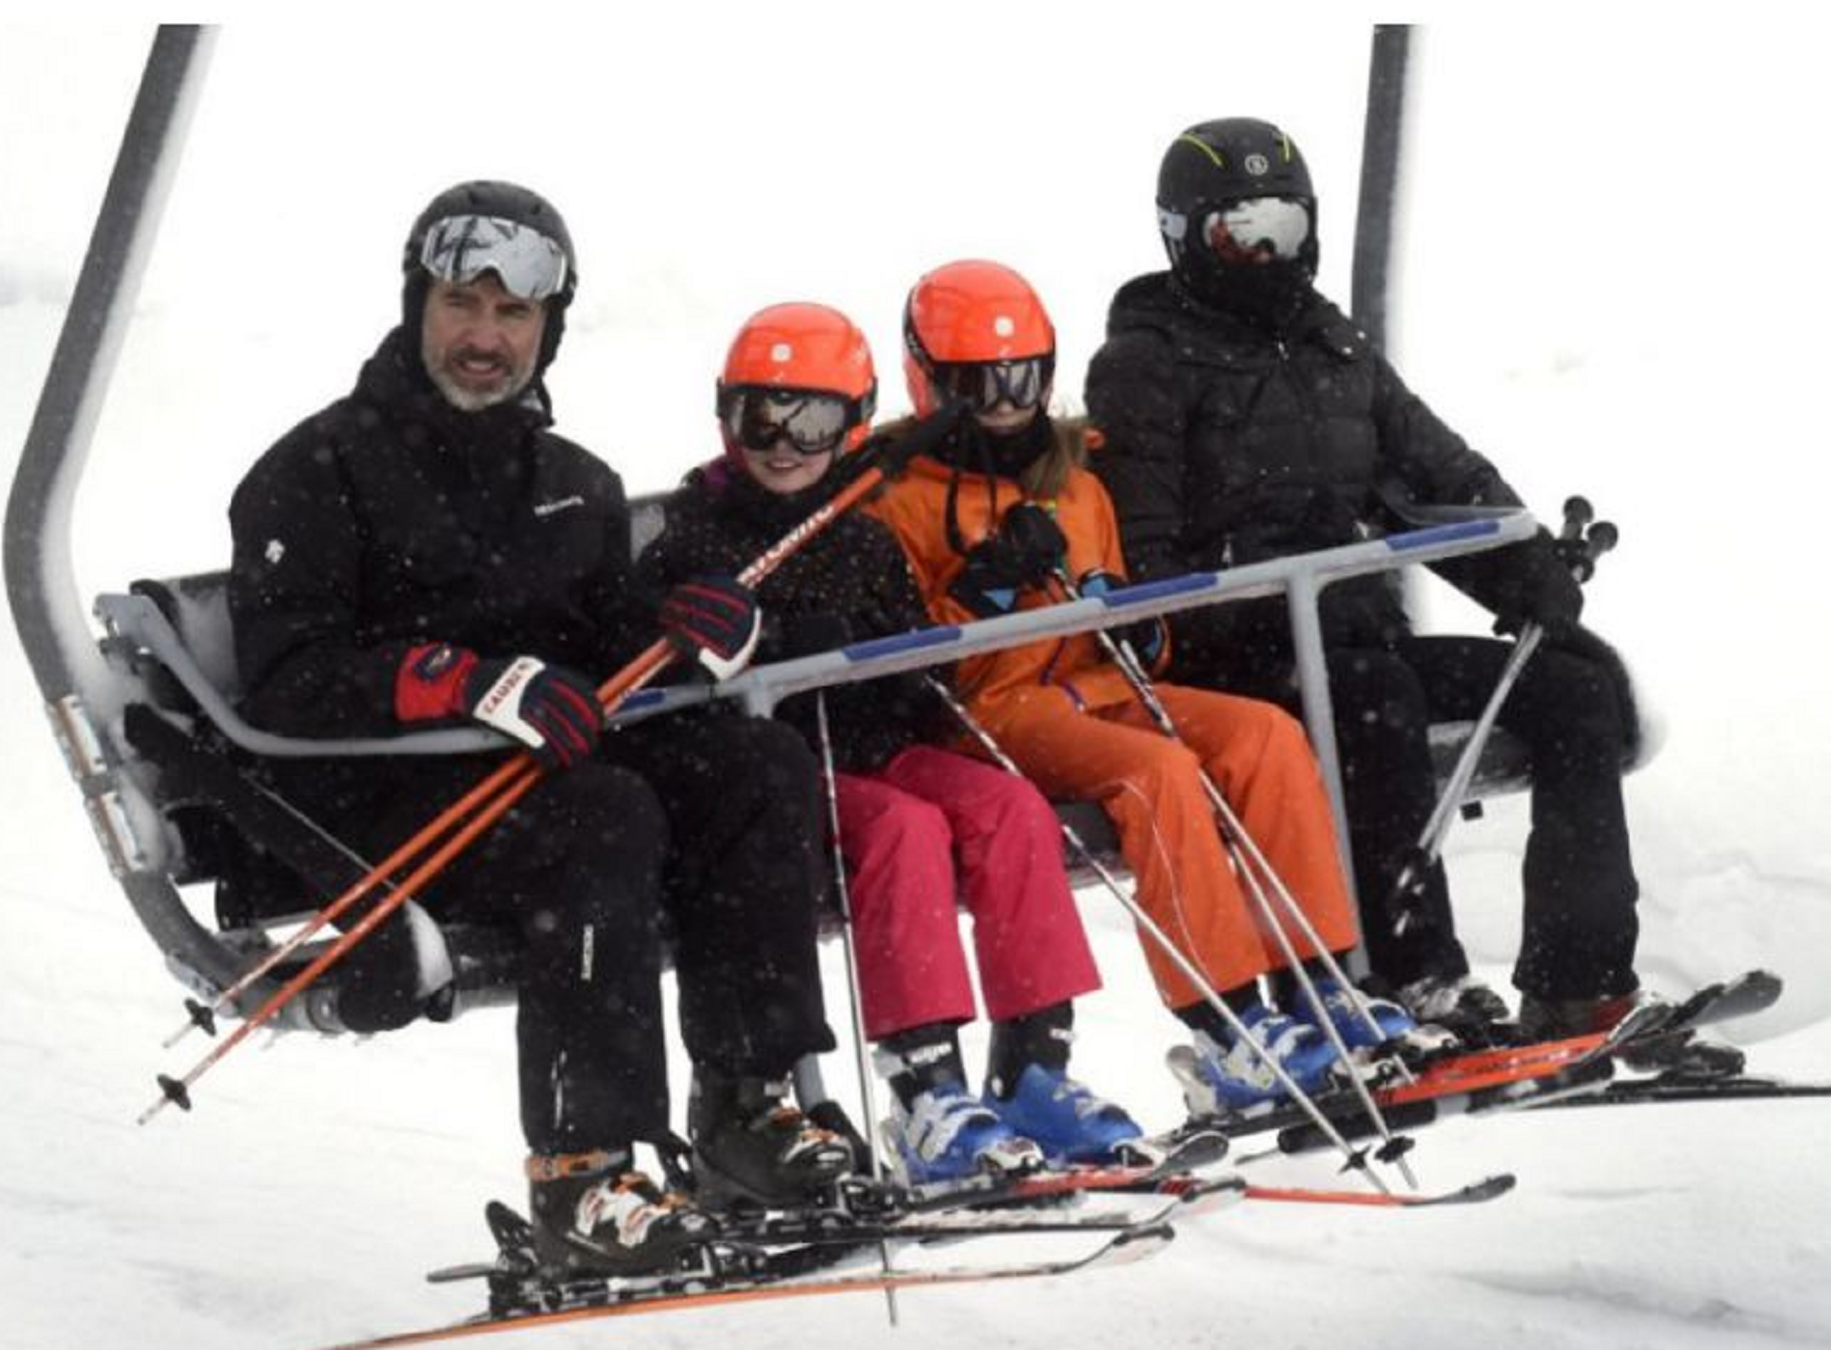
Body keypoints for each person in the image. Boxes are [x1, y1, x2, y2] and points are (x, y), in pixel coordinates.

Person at [226, 182, 853, 1274]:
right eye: (462, 305)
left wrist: (690, 619)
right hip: (386, 803)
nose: (484, 337)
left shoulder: (571, 483)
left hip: (538, 780)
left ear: (548, 326)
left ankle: (745, 1107)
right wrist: (452, 680)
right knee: (601, 814)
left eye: (512, 315)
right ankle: (581, 1171)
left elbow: (608, 642)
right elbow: (286, 680)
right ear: (418, 305)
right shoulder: (315, 473)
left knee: (754, 762)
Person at [1085, 117, 1647, 1042]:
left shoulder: (1326, 344)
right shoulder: (1144, 365)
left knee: (1574, 690)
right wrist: (1262, 597)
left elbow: (1438, 472)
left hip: (1355, 635)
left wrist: (1525, 568)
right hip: (1240, 663)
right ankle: (1410, 976)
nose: (1266, 255)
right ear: (1185, 238)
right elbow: (1143, 556)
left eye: (1285, 228)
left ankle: (1579, 980)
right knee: (1373, 695)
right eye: (1239, 232)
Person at [865, 260, 1421, 1118]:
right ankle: (1226, 1019)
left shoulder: (1076, 479)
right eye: (977, 383)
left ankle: (1316, 980)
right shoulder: (899, 496)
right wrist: (986, 588)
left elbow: (1128, 608)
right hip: (995, 711)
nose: (1007, 400)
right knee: (1154, 771)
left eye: (1025, 376)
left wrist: (1140, 629)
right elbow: (906, 657)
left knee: (1262, 735)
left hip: (1092, 685)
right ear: (929, 380)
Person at [636, 301, 1142, 1179]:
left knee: (1008, 807)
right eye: (760, 414)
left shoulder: (862, 533)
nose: (784, 440)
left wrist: (906, 639)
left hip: (877, 745)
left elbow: (922, 674)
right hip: (789, 774)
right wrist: (772, 646)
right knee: (906, 830)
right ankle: (925, 1091)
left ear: (856, 420)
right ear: (724, 415)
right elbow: (665, 680)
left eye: (814, 418)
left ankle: (1033, 1067)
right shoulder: (696, 535)